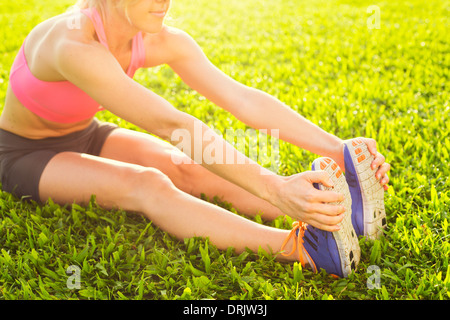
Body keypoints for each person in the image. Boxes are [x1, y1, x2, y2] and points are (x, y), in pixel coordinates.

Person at [0, 0, 390, 277]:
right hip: (22, 153)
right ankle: (302, 249)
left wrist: (336, 148)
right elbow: (170, 124)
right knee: (146, 184)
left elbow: (241, 99)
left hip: (86, 133)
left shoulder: (158, 38)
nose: (165, 2)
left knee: (187, 168)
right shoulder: (73, 45)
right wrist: (274, 187)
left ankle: (344, 212)